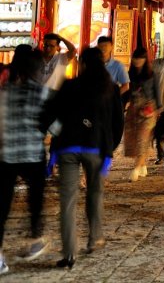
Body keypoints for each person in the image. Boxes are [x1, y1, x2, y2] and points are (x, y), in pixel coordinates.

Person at [40, 47, 124, 269]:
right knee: (95, 194)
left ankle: (69, 254)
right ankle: (95, 237)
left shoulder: (69, 86)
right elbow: (117, 123)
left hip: (67, 147)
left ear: (83, 64)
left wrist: (53, 143)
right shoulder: (110, 89)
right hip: (96, 149)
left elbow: (50, 114)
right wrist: (110, 149)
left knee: (67, 201)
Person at [0, 45, 49, 273]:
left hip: (7, 154)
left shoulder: (4, 91)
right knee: (35, 198)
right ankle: (35, 239)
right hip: (32, 153)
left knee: (2, 206)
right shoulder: (41, 92)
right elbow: (53, 125)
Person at [123, 48, 157, 182]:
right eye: (135, 58)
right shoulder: (129, 74)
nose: (137, 61)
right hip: (133, 109)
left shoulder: (152, 74)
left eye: (140, 58)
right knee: (133, 138)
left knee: (143, 139)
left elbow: (158, 93)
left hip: (149, 109)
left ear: (145, 59)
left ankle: (136, 168)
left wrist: (158, 109)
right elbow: (127, 92)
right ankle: (142, 165)